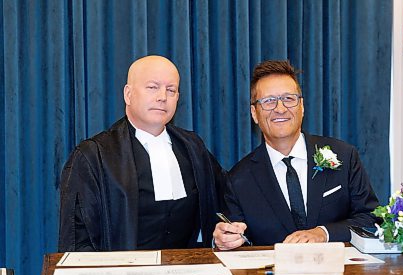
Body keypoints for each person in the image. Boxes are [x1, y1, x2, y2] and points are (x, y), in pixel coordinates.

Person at [59, 55, 225, 252]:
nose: (162, 96)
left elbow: (225, 203)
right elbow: (77, 241)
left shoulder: (193, 148)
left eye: (171, 90)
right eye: (153, 87)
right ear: (128, 95)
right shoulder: (93, 155)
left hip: (187, 274)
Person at [213, 60, 380, 250]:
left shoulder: (344, 156)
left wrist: (323, 233)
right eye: (268, 101)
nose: (280, 108)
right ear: (254, 113)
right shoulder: (238, 180)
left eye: (289, 99)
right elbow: (240, 239)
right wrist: (227, 239)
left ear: (302, 106)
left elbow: (371, 219)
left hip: (340, 274)